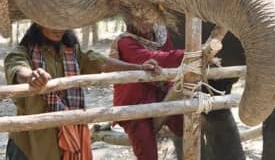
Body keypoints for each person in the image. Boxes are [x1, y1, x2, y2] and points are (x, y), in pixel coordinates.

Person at [4, 22, 160, 160]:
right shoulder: (23, 51)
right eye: (52, 22)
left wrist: (138, 67)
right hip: (31, 144)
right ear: (39, 23)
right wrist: (32, 76)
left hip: (71, 136)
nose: (59, 28)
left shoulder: (72, 51)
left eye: (63, 21)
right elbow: (17, 67)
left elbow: (99, 61)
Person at [110, 16, 185, 160]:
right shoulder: (125, 42)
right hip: (134, 104)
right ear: (130, 22)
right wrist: (191, 54)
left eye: (147, 18)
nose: (144, 23)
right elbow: (160, 58)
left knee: (186, 126)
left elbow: (168, 57)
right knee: (147, 155)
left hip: (162, 93)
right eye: (137, 19)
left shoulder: (161, 37)